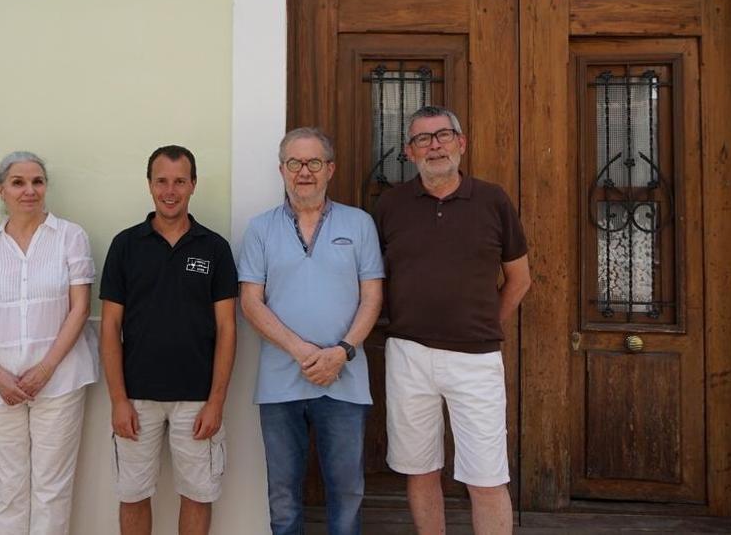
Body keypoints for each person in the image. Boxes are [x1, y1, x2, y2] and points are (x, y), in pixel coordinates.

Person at [373, 106, 532, 535]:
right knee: (419, 470)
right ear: (409, 152)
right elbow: (371, 281)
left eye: (443, 135)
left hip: (476, 359)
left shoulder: (493, 200)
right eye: (423, 139)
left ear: (461, 143)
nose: (435, 145)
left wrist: (481, 324)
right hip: (409, 355)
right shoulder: (389, 206)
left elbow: (519, 279)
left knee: (486, 475)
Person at [239, 128, 384, 535]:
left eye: (314, 162)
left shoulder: (359, 224)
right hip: (280, 384)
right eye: (295, 163)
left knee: (348, 494)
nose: (304, 172)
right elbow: (250, 301)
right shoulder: (260, 229)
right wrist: (301, 349)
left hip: (344, 379)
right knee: (283, 498)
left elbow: (372, 297)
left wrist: (341, 351)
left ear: (330, 169)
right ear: (281, 169)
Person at [99, 145, 238, 535]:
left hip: (197, 401)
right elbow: (109, 327)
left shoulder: (215, 248)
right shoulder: (125, 245)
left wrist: (216, 402)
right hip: (136, 400)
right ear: (149, 185)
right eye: (162, 181)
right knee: (132, 494)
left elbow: (228, 328)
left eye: (180, 181)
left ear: (193, 185)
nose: (170, 190)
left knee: (197, 494)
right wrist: (118, 399)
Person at [0, 151, 98, 535]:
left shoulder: (70, 236)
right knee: (7, 489)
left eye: (37, 181)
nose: (29, 190)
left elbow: (79, 307)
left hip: (59, 379)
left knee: (52, 489)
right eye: (18, 182)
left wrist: (46, 368)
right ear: (1, 190)